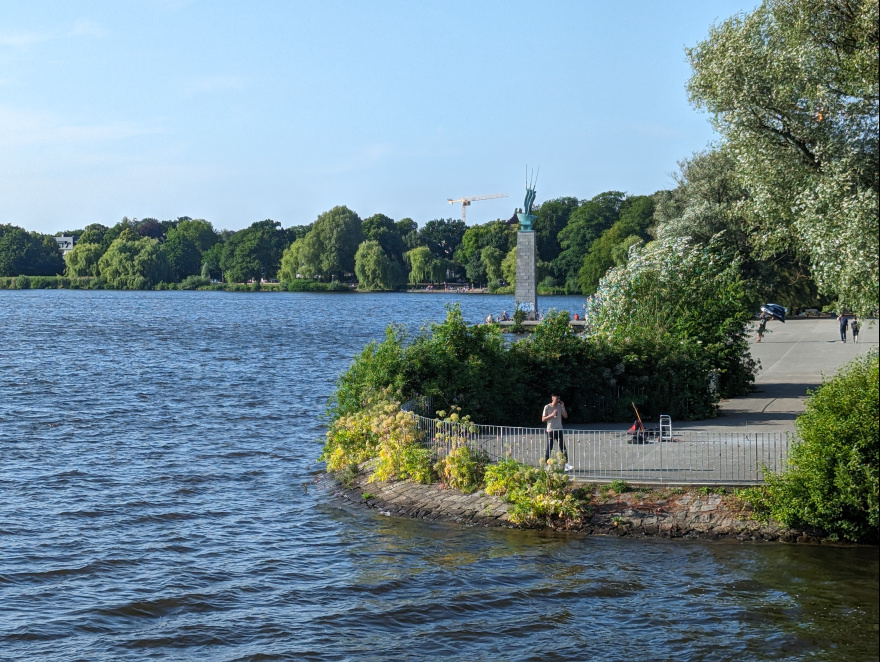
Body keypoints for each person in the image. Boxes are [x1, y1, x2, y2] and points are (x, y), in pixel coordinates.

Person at [542, 394, 571, 471]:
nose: (558, 400)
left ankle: (566, 464)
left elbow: (565, 416)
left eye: (559, 398)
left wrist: (563, 407)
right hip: (550, 430)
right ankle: (547, 465)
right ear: (552, 398)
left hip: (559, 429)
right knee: (549, 448)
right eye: (556, 398)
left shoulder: (559, 406)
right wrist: (551, 415)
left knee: (563, 447)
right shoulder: (547, 407)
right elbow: (543, 419)